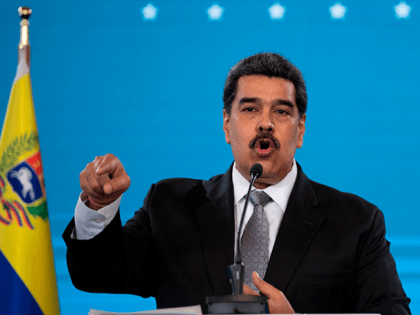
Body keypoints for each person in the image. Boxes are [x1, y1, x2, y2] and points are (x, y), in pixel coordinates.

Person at [63, 53, 411, 314]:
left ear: (300, 130)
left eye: (281, 111)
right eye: (249, 109)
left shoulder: (357, 222)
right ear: (227, 125)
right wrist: (97, 205)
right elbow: (97, 276)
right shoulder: (170, 206)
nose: (265, 124)